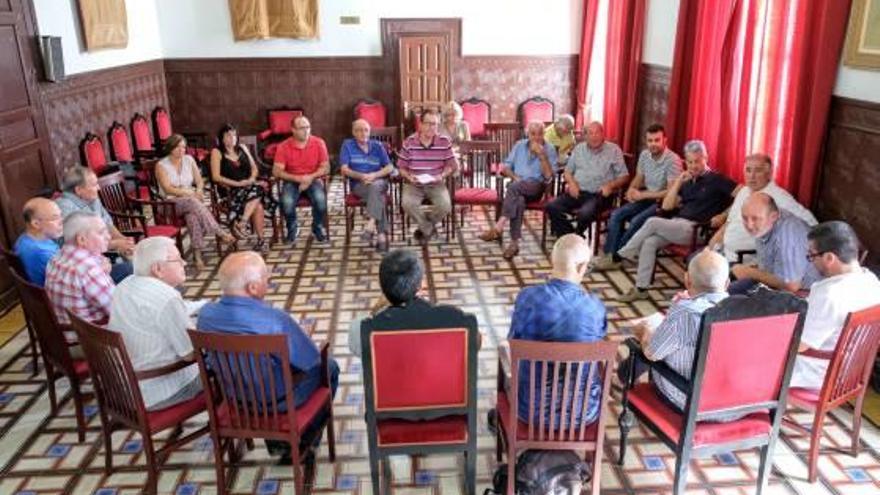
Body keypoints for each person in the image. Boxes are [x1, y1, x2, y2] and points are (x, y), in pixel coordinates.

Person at [198, 251, 340, 462]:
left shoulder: (206, 315)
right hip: (278, 401)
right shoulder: (275, 320)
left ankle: (277, 443)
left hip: (234, 397)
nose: (269, 280)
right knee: (330, 367)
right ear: (252, 288)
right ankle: (302, 443)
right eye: (266, 277)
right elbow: (311, 360)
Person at [616, 140, 738, 302]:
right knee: (650, 242)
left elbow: (743, 193)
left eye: (697, 161)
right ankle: (641, 288)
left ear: (705, 158)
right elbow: (667, 206)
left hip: (696, 230)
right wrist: (679, 181)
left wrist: (724, 215)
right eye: (689, 162)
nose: (693, 166)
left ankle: (623, 253)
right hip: (676, 225)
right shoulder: (687, 182)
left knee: (652, 222)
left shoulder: (717, 179)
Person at [507, 234, 606, 427]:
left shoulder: (528, 298)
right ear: (581, 267)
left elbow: (513, 344)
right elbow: (596, 345)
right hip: (584, 412)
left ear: (552, 261)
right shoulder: (595, 307)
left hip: (530, 410)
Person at [630, 250, 735, 418]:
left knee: (650, 342)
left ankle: (622, 379)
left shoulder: (686, 312)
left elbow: (652, 353)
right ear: (727, 283)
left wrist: (644, 330)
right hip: (739, 405)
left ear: (687, 280)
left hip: (693, 404)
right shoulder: (750, 311)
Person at [107, 237, 202, 411]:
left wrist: (205, 306)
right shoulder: (167, 299)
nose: (185, 263)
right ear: (157, 269)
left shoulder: (126, 284)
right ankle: (234, 425)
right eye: (178, 259)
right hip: (158, 391)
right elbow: (190, 354)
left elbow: (162, 315)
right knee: (227, 367)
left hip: (125, 386)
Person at [790, 222, 880, 388]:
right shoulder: (872, 282)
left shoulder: (829, 294)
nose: (811, 261)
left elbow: (800, 346)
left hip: (817, 373)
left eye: (812, 256)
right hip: (851, 371)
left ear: (829, 258)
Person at [593, 124, 682, 271]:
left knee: (636, 221)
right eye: (650, 140)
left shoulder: (673, 160)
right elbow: (638, 178)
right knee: (617, 214)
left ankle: (617, 257)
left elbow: (671, 192)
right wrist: (631, 190)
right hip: (646, 197)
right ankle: (609, 255)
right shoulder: (645, 155)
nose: (653, 144)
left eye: (657, 140)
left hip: (663, 203)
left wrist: (642, 194)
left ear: (664, 140)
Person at [707, 154, 816, 262]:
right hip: (723, 252)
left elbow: (812, 224)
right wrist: (711, 246)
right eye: (748, 170)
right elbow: (729, 223)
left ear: (769, 174)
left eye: (758, 170)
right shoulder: (744, 191)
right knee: (694, 260)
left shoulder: (779, 197)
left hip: (745, 261)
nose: (752, 176)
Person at [361, 249, 478, 348]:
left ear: (382, 286)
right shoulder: (454, 320)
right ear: (420, 286)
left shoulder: (365, 327)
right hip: (437, 374)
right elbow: (476, 342)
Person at [479, 121, 558, 259]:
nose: (537, 137)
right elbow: (505, 166)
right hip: (518, 186)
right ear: (528, 134)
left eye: (540, 134)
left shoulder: (549, 149)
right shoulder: (519, 145)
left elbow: (548, 177)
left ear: (544, 134)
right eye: (533, 134)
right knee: (519, 201)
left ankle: (498, 226)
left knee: (513, 187)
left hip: (536, 187)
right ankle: (514, 244)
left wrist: (542, 156)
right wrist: (515, 177)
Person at [156, 133, 236, 270]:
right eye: (178, 147)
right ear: (170, 148)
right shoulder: (161, 165)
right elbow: (167, 189)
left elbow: (199, 181)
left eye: (183, 147)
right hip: (168, 204)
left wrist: (198, 191)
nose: (181, 150)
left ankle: (197, 255)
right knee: (192, 203)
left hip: (190, 200)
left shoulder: (189, 160)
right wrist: (189, 193)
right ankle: (219, 232)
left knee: (192, 217)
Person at [545, 121, 629, 238]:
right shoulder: (579, 149)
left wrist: (611, 185)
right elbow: (568, 171)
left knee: (585, 213)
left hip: (599, 195)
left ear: (603, 134)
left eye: (597, 133)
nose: (594, 136)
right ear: (585, 136)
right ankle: (570, 235)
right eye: (590, 133)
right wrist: (572, 183)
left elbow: (624, 176)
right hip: (577, 192)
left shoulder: (614, 150)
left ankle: (577, 235)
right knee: (551, 206)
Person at [729, 192, 820, 294]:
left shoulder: (787, 235)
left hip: (800, 296)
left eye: (755, 219)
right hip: (772, 283)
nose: (749, 225)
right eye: (745, 218)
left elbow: (791, 285)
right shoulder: (766, 218)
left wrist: (749, 272)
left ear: (774, 216)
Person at [55, 166, 134, 283]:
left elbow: (108, 223)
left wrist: (125, 241)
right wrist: (116, 244)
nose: (98, 188)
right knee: (132, 268)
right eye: (94, 184)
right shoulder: (64, 208)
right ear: (78, 190)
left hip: (101, 252)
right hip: (82, 266)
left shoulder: (92, 198)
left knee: (138, 260)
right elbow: (83, 244)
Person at [209, 123, 277, 254]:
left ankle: (245, 225)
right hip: (230, 191)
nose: (232, 138)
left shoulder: (242, 148)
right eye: (228, 135)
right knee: (259, 192)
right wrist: (239, 184)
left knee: (257, 199)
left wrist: (251, 179)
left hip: (249, 188)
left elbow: (254, 168)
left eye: (234, 135)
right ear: (221, 138)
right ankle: (257, 236)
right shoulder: (217, 152)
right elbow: (216, 177)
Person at [397, 110, 458, 245]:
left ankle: (424, 228)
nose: (432, 127)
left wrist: (441, 175)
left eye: (435, 124)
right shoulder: (409, 142)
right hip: (414, 184)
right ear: (421, 124)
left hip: (436, 183)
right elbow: (401, 167)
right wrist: (409, 176)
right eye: (428, 123)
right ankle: (428, 228)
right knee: (407, 204)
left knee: (445, 206)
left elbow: (452, 166)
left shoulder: (444, 141)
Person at [44, 211, 115, 325]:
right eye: (101, 233)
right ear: (81, 240)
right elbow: (117, 311)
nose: (109, 236)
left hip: (64, 327)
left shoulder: (56, 258)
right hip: (89, 336)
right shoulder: (89, 270)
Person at [273, 115, 330, 244]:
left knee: (321, 201)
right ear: (293, 129)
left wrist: (309, 178)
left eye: (308, 127)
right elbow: (276, 171)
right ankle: (293, 228)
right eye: (302, 128)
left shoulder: (318, 142)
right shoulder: (283, 146)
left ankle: (317, 228)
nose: (306, 131)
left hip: (313, 178)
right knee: (286, 203)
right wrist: (298, 178)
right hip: (292, 179)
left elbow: (326, 168)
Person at [339, 119, 394, 252]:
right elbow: (344, 169)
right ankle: (381, 236)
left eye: (366, 130)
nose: (363, 133)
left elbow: (390, 167)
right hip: (359, 184)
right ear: (353, 132)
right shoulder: (347, 145)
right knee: (378, 196)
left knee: (376, 187)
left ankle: (370, 225)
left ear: (369, 132)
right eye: (359, 130)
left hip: (379, 181)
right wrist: (362, 176)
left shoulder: (378, 145)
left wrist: (374, 175)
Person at [14, 197, 63, 286]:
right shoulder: (44, 254)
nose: (61, 221)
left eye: (61, 215)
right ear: (36, 224)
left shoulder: (23, 239)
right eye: (55, 218)